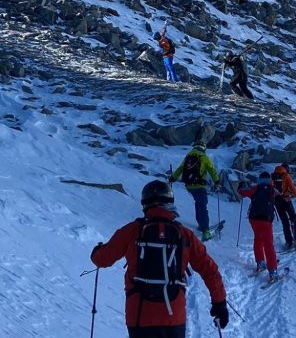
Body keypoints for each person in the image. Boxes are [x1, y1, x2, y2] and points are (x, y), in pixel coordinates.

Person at [91, 180, 228, 338]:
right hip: (174, 317)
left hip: (139, 317)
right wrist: (219, 303)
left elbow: (102, 259)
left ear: (145, 204)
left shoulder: (132, 230)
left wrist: (97, 251)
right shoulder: (184, 234)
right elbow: (209, 269)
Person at [171, 141, 220, 241]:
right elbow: (212, 169)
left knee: (198, 203)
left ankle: (200, 224)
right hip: (199, 185)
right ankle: (206, 231)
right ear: (203, 148)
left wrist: (172, 178)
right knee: (202, 205)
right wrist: (217, 182)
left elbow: (180, 168)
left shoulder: (188, 156)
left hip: (189, 186)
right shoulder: (204, 157)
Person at [238, 172, 280, 282]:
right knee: (268, 244)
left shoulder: (255, 189)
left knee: (258, 239)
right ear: (269, 180)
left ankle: (260, 263)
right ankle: (273, 271)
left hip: (254, 219)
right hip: (266, 220)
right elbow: (280, 194)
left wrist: (241, 186)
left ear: (260, 179)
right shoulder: (272, 190)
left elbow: (242, 192)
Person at [271, 163, 296, 249]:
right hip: (286, 200)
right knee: (294, 218)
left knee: (285, 222)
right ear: (287, 169)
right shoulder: (286, 176)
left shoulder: (273, 176)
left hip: (277, 202)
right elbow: (293, 189)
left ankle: (289, 242)